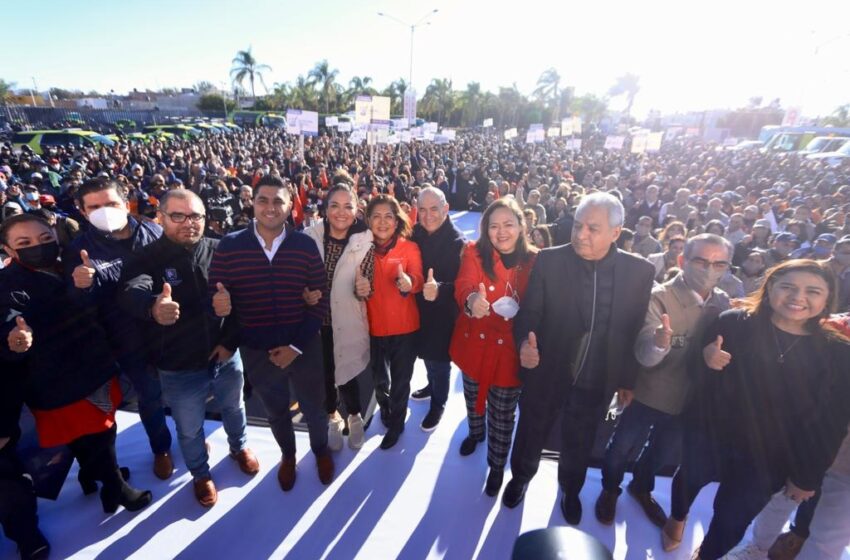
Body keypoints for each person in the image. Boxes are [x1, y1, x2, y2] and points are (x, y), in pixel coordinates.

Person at [670, 260, 850, 559]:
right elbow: (694, 377)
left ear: (827, 298)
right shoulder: (732, 322)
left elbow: (831, 423)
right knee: (687, 482)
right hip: (710, 438)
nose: (798, 297)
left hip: (769, 459)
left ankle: (707, 555)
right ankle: (677, 518)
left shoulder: (839, 353)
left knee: (731, 519)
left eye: (812, 291)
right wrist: (705, 358)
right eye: (788, 287)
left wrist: (806, 476)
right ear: (770, 288)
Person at [503, 192, 655, 525]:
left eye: (592, 228)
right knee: (531, 430)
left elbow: (632, 331)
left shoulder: (640, 272)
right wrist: (524, 346)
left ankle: (570, 490)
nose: (580, 235)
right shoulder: (550, 260)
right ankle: (520, 477)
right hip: (547, 371)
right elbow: (529, 314)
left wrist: (628, 380)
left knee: (581, 440)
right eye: (577, 225)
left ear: (616, 233)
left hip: (598, 381)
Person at [0, 214, 152, 515]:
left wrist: (87, 286)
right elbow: (8, 327)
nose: (38, 247)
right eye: (25, 243)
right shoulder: (7, 285)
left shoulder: (68, 262)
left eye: (45, 239)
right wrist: (14, 340)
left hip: (94, 368)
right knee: (96, 434)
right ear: (8, 250)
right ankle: (116, 488)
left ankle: (92, 473)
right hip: (55, 383)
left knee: (98, 432)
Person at [119, 190, 258, 507]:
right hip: (179, 366)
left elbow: (244, 299)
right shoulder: (146, 258)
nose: (188, 223)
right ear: (162, 218)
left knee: (235, 408)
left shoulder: (221, 250)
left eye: (195, 216)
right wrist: (153, 306)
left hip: (225, 356)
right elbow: (131, 291)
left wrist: (229, 339)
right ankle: (200, 474)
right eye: (178, 215)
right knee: (189, 428)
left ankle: (239, 447)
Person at [596, 234, 732, 528]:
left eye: (719, 263)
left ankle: (641, 487)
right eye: (701, 261)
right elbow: (644, 352)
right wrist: (659, 342)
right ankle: (610, 488)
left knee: (661, 453)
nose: (710, 270)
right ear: (683, 261)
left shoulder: (722, 302)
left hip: (689, 400)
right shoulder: (658, 296)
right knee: (622, 446)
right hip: (647, 392)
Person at [209, 175, 333, 491]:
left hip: (303, 347)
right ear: (252, 202)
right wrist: (219, 304)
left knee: (315, 410)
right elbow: (219, 294)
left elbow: (321, 299)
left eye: (278, 200)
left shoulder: (304, 244)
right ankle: (288, 456)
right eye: (263, 199)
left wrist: (295, 345)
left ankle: (319, 451)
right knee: (276, 412)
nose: (270, 207)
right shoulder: (230, 245)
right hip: (257, 352)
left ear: (290, 205)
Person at [64, 178, 174, 480]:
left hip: (168, 330)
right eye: (95, 207)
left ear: (126, 203)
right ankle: (161, 447)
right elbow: (77, 303)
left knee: (181, 390)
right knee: (150, 396)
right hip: (127, 340)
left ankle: (189, 434)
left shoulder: (153, 231)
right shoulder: (79, 250)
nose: (104, 211)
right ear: (83, 212)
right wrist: (81, 286)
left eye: (110, 204)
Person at [449, 198, 538, 496]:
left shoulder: (536, 261)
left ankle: (497, 466)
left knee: (502, 413)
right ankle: (475, 433)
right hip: (475, 341)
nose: (501, 232)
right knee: (473, 395)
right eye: (494, 226)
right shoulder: (475, 253)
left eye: (508, 225)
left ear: (521, 226)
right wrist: (472, 300)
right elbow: (464, 283)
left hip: (510, 352)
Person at [304, 185, 373, 451]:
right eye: (335, 205)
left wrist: (363, 289)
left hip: (347, 319)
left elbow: (368, 280)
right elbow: (298, 277)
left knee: (348, 373)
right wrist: (304, 294)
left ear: (356, 210)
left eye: (348, 206)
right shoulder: (309, 237)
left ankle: (354, 415)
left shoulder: (365, 240)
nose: (341, 213)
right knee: (323, 375)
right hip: (315, 324)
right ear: (325, 208)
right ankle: (332, 416)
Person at [363, 194, 424, 450]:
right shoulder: (360, 247)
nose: (382, 222)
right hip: (373, 326)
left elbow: (419, 279)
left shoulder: (409, 248)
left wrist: (410, 283)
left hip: (405, 327)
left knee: (401, 380)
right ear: (368, 220)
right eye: (376, 216)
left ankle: (397, 424)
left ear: (397, 220)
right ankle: (385, 407)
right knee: (379, 377)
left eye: (388, 216)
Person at [410, 186, 465, 431]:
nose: (428, 215)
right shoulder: (415, 233)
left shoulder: (458, 242)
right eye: (422, 209)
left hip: (444, 315)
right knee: (427, 357)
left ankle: (438, 403)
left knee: (440, 361)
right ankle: (431, 386)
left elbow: (465, 287)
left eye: (434, 209)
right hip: (418, 310)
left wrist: (440, 289)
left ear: (446, 208)